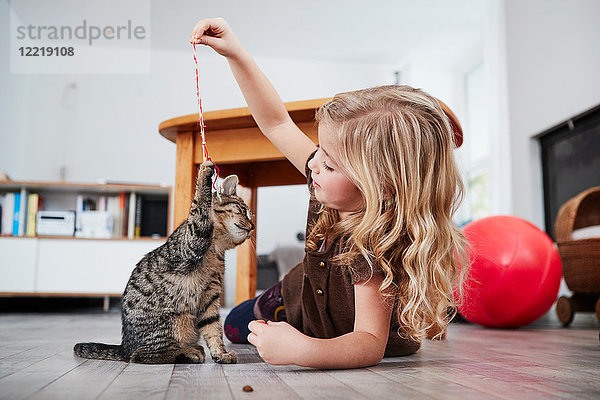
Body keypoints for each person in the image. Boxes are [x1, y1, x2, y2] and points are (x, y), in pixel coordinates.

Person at [190, 17, 468, 369]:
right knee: (234, 325)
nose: (314, 163)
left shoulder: (374, 245)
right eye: (319, 149)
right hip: (301, 298)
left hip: (347, 334)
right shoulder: (334, 179)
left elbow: (368, 344)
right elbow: (276, 122)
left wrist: (303, 351)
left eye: (331, 164)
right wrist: (236, 54)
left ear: (380, 186)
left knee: (251, 331)